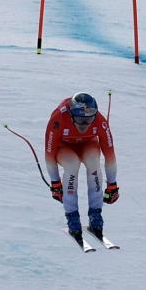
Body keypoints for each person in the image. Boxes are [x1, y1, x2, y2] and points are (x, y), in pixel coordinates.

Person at [44, 92, 119, 239]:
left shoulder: (100, 121)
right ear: (71, 115)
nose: (84, 124)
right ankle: (72, 216)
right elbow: (49, 153)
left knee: (94, 163)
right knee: (72, 165)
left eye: (89, 119)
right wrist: (55, 182)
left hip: (88, 144)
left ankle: (95, 214)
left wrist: (112, 184)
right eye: (79, 119)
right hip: (64, 147)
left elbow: (110, 154)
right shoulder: (59, 118)